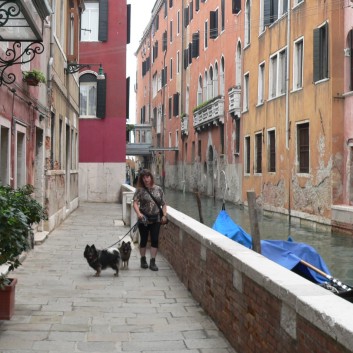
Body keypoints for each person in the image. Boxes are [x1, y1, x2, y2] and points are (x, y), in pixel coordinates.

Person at [132, 169, 167, 271]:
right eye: (143, 178)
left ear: (151, 177)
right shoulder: (140, 190)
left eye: (147, 177)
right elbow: (135, 203)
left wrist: (164, 215)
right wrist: (139, 214)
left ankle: (153, 261)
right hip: (144, 219)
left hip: (156, 219)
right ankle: (143, 259)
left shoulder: (159, 189)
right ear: (141, 179)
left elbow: (164, 204)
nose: (146, 179)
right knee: (143, 240)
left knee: (155, 240)